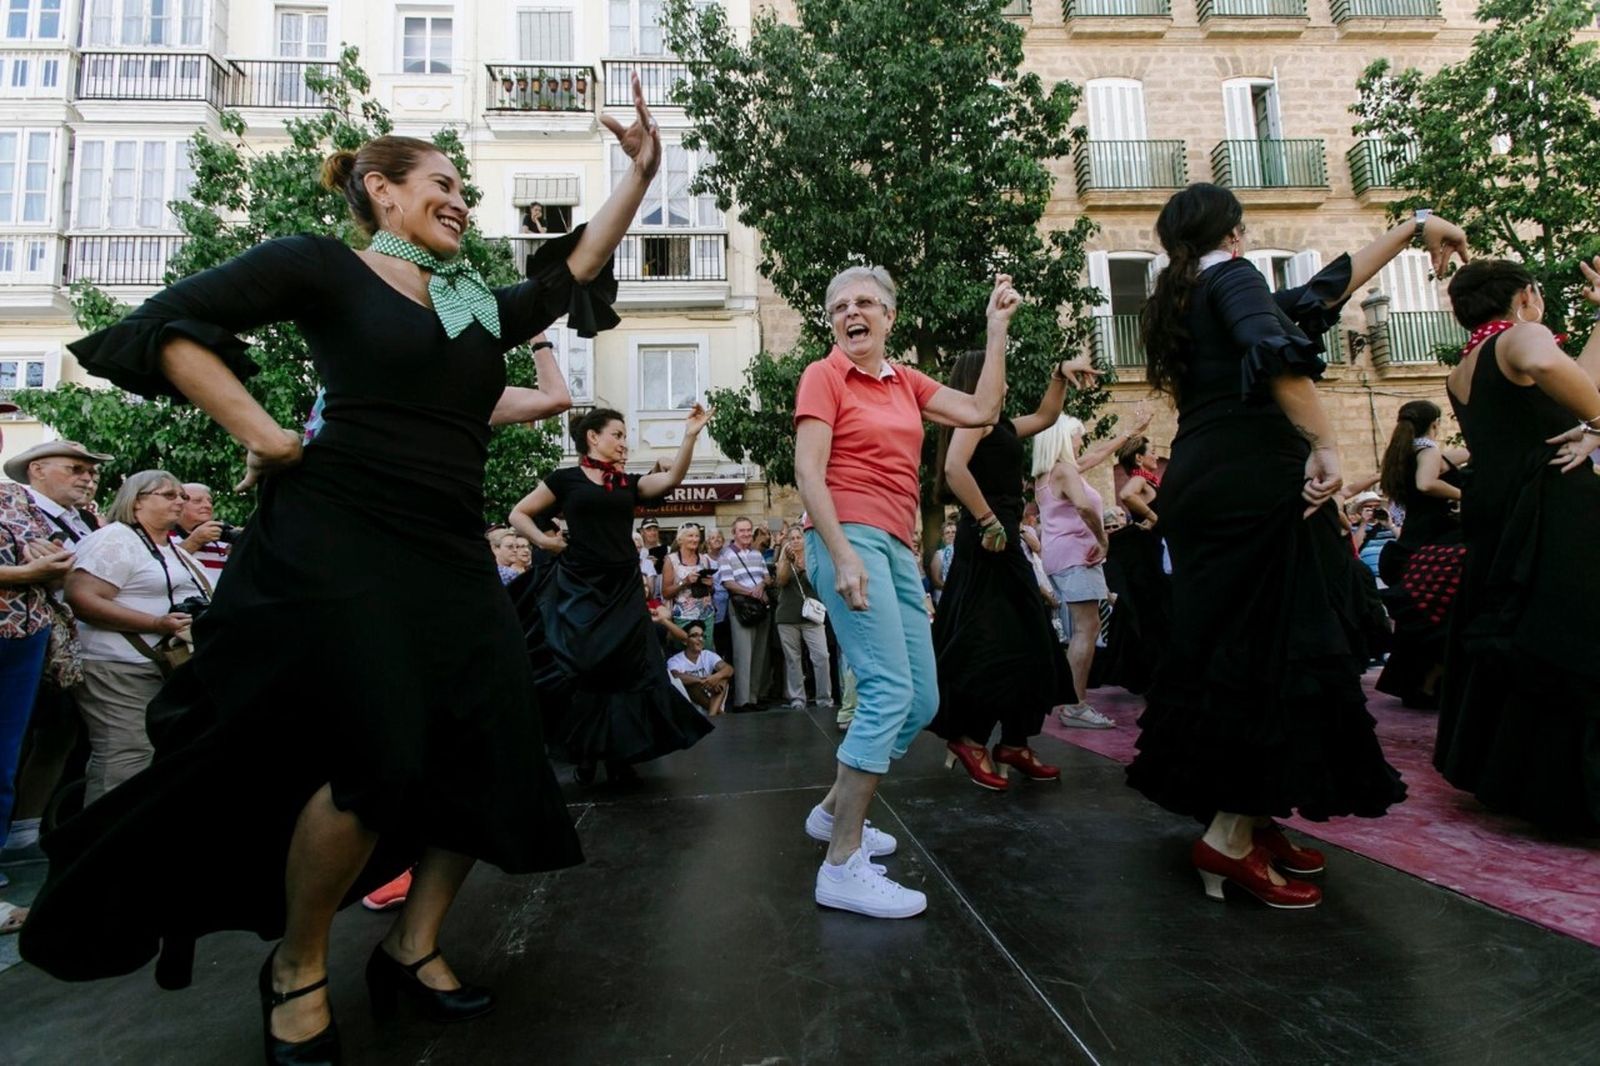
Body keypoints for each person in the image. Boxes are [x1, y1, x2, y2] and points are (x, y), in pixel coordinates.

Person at [22, 81, 661, 1065]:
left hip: (446, 548)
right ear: (381, 190)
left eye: (464, 189)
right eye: (441, 183)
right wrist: (267, 434)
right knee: (377, 755)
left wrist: (639, 174)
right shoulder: (323, 267)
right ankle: (300, 963)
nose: (459, 200)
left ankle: (411, 946)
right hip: (341, 537)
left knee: (494, 745)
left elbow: (570, 270)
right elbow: (170, 327)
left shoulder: (465, 303)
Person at [1125, 184, 1466, 908]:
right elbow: (1277, 351)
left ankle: (1248, 814)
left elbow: (1323, 291)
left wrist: (1413, 226)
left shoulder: (1186, 295)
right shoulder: (1233, 277)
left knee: (1228, 652)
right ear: (1234, 232)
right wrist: (1327, 444)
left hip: (1204, 480)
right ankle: (1228, 837)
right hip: (1254, 483)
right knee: (1274, 651)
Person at [794, 266, 1019, 919]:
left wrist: (996, 330)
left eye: (865, 302)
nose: (851, 312)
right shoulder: (825, 374)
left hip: (895, 545)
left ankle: (832, 812)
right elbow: (808, 470)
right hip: (848, 536)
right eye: (839, 305)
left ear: (889, 317)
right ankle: (842, 863)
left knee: (921, 700)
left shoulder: (905, 382)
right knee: (887, 691)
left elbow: (982, 411)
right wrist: (841, 555)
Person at [1434, 257, 1600, 834]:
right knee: (1572, 641)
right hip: (1552, 507)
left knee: (1528, 643)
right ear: (1526, 295)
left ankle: (1521, 781)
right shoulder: (1519, 337)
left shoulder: (1466, 364)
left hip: (1501, 514)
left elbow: (1574, 386)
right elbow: (1549, 365)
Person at [509, 405, 716, 785]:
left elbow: (671, 478)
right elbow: (518, 514)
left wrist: (690, 435)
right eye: (617, 435)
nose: (624, 442)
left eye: (624, 436)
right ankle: (586, 752)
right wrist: (544, 541)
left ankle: (621, 755)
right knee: (585, 670)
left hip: (623, 587)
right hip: (581, 586)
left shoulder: (626, 483)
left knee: (626, 671)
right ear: (593, 437)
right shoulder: (565, 479)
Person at [928, 351, 1097, 790]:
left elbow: (1045, 416)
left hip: (1002, 540)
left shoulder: (999, 425)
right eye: (996, 373)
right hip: (989, 541)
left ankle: (1015, 742)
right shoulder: (975, 421)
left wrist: (1059, 373)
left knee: (1030, 641)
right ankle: (971, 738)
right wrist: (988, 521)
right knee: (991, 644)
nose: (1003, 381)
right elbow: (954, 468)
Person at [65, 471, 209, 804]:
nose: (180, 501)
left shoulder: (168, 545)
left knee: (145, 756)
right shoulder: (115, 539)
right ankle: (104, 834)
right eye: (169, 495)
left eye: (182, 496)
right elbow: (81, 598)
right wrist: (156, 623)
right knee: (126, 755)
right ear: (137, 500)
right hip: (117, 666)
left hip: (157, 666)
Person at [1, 440, 104, 872]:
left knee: (26, 745)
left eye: (91, 471)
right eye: (75, 468)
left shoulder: (80, 517)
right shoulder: (12, 500)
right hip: (16, 635)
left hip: (36, 638)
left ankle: (19, 838)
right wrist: (29, 572)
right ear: (37, 469)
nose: (87, 478)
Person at [0, 471, 75, 929]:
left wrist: (49, 560)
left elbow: (52, 551)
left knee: (4, 761)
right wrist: (24, 573)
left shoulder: (14, 497)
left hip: (23, 636)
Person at [1374, 400, 1467, 708]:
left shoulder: (1403, 454)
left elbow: (1453, 459)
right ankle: (1431, 682)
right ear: (1435, 423)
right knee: (1444, 614)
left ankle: (1416, 683)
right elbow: (1426, 483)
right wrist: (1464, 495)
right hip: (1434, 544)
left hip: (1412, 543)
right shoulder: (1426, 449)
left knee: (1423, 618)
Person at [1034, 415, 1118, 729]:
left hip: (1060, 555)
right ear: (1063, 439)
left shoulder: (1048, 474)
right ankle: (1075, 705)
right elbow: (1083, 506)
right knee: (1087, 628)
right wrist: (1102, 538)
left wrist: (1127, 435)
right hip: (1077, 554)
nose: (1081, 442)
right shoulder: (1064, 470)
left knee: (1083, 628)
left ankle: (1071, 701)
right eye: (1077, 436)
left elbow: (1096, 456)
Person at [773, 527, 832, 710]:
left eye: (799, 537)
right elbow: (781, 581)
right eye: (792, 538)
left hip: (812, 617)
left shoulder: (814, 557)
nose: (796, 540)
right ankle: (797, 698)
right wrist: (785, 559)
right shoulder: (784, 559)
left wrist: (803, 566)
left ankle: (824, 699)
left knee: (821, 656)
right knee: (793, 659)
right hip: (787, 615)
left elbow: (818, 582)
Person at [722, 516, 773, 712]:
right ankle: (742, 701)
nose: (745, 534)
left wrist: (761, 585)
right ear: (734, 533)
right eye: (741, 530)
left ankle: (754, 697)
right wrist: (751, 591)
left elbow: (767, 577)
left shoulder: (757, 554)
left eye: (748, 530)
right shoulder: (727, 555)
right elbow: (728, 583)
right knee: (743, 654)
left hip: (759, 606)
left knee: (759, 654)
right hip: (742, 607)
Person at [666, 621, 733, 716]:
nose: (700, 639)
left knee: (723, 677)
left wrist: (714, 678)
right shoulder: (675, 660)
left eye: (702, 636)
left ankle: (712, 716)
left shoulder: (708, 655)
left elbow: (729, 669)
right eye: (695, 635)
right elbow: (675, 676)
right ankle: (719, 714)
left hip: (712, 697)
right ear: (685, 641)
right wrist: (702, 680)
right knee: (690, 684)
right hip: (690, 705)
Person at [661, 521, 717, 630]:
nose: (695, 539)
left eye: (697, 536)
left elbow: (711, 591)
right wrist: (685, 582)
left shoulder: (704, 559)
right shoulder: (671, 560)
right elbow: (666, 593)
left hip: (706, 615)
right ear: (680, 539)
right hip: (683, 617)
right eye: (690, 536)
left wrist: (710, 586)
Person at [171, 483, 233, 581]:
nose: (208, 505)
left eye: (210, 501)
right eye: (197, 501)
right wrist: (195, 542)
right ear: (178, 505)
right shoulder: (162, 536)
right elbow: (160, 567)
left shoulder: (224, 538)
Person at [927, 521, 956, 606]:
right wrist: (952, 589)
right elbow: (936, 580)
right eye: (947, 533)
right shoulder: (939, 554)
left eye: (954, 532)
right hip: (944, 596)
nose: (951, 535)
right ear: (943, 537)